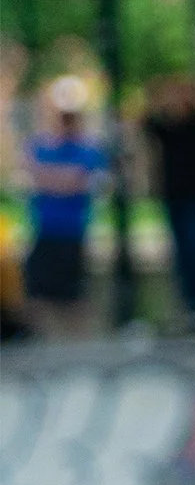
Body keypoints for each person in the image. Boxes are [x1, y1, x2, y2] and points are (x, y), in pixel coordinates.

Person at [21, 77, 110, 339]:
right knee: (37, 292)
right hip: (44, 227)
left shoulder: (89, 148)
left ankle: (78, 345)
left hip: (72, 230)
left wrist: (50, 177)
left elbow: (75, 181)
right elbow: (36, 175)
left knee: (73, 296)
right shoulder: (40, 144)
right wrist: (58, 177)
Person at [145, 74, 195, 330]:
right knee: (180, 248)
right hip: (172, 193)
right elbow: (142, 118)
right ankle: (188, 301)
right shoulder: (165, 127)